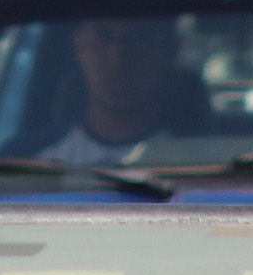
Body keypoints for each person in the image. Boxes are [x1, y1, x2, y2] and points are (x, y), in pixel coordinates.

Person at [28, 18, 177, 165]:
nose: (117, 60)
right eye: (103, 37)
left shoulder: (195, 157)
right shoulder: (25, 161)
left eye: (138, 39)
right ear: (79, 45)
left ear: (170, 51)